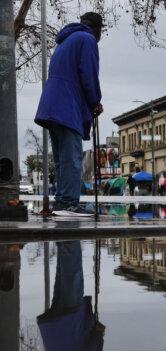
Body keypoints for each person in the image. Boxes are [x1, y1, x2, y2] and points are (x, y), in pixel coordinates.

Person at [35, 12, 104, 215]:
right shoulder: (87, 39)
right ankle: (69, 203)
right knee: (72, 157)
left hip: (51, 105)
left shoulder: (65, 41)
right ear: (97, 28)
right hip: (67, 105)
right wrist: (95, 101)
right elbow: (89, 74)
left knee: (62, 158)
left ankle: (62, 201)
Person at [37, 241, 107, 351]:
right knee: (62, 277)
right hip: (57, 330)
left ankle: (70, 237)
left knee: (72, 274)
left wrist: (98, 334)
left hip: (72, 326)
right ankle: (63, 240)